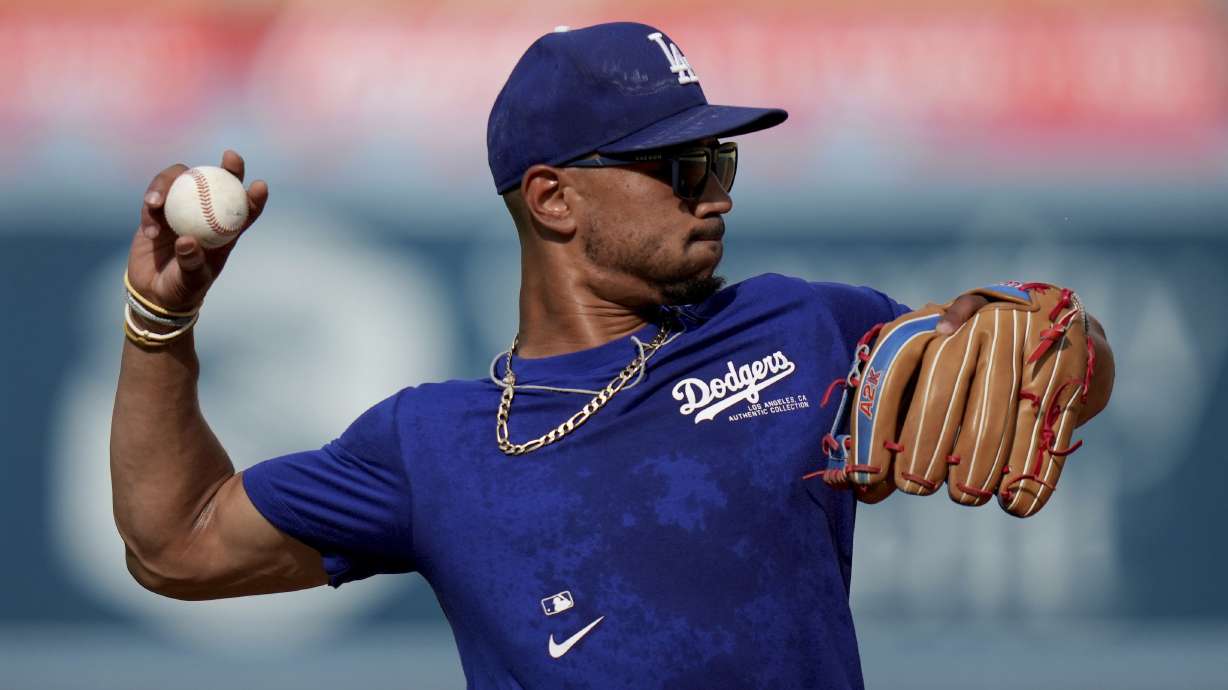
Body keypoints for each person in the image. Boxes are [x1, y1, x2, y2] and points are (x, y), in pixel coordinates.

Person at [111, 22, 1114, 689]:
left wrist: (1061, 348)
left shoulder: (802, 327)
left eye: (720, 159)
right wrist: (160, 325)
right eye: (681, 166)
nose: (715, 189)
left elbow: (1040, 365)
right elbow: (176, 543)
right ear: (552, 198)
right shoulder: (433, 444)